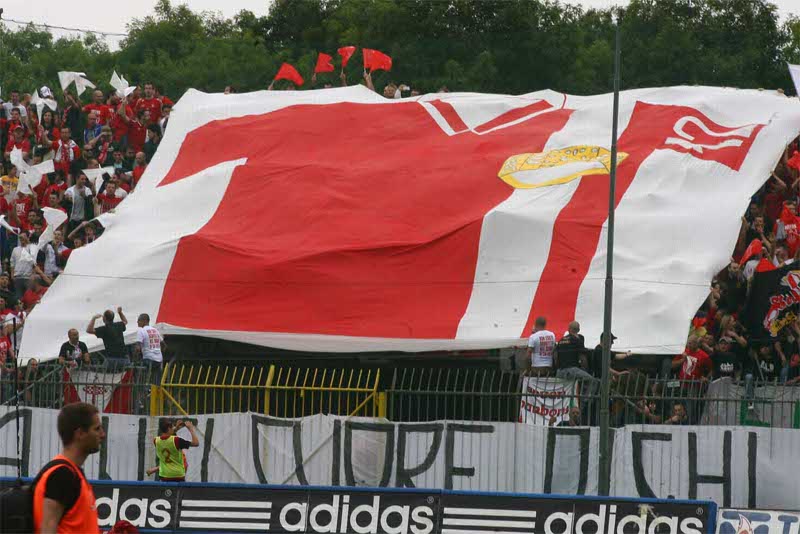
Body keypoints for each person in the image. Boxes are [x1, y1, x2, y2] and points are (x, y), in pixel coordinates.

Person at [33, 402, 104, 534]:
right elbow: (47, 528)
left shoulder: (72, 472)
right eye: (97, 429)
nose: (102, 434)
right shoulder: (62, 475)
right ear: (80, 433)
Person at [136, 313, 165, 383]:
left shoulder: (141, 331)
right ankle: (154, 391)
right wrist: (158, 352)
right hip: (159, 360)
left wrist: (136, 358)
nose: (137, 322)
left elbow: (137, 348)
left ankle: (144, 390)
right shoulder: (156, 330)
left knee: (139, 374)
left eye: (139, 320)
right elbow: (164, 345)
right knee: (156, 383)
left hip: (148, 359)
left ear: (144, 321)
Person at [10, 231, 36, 298]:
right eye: (20, 237)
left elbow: (35, 263)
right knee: (19, 298)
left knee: (28, 297)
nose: (22, 239)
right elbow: (12, 263)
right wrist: (12, 275)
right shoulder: (15, 249)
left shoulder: (32, 248)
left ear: (28, 237)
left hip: (28, 278)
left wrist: (33, 275)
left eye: (24, 237)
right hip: (17, 277)